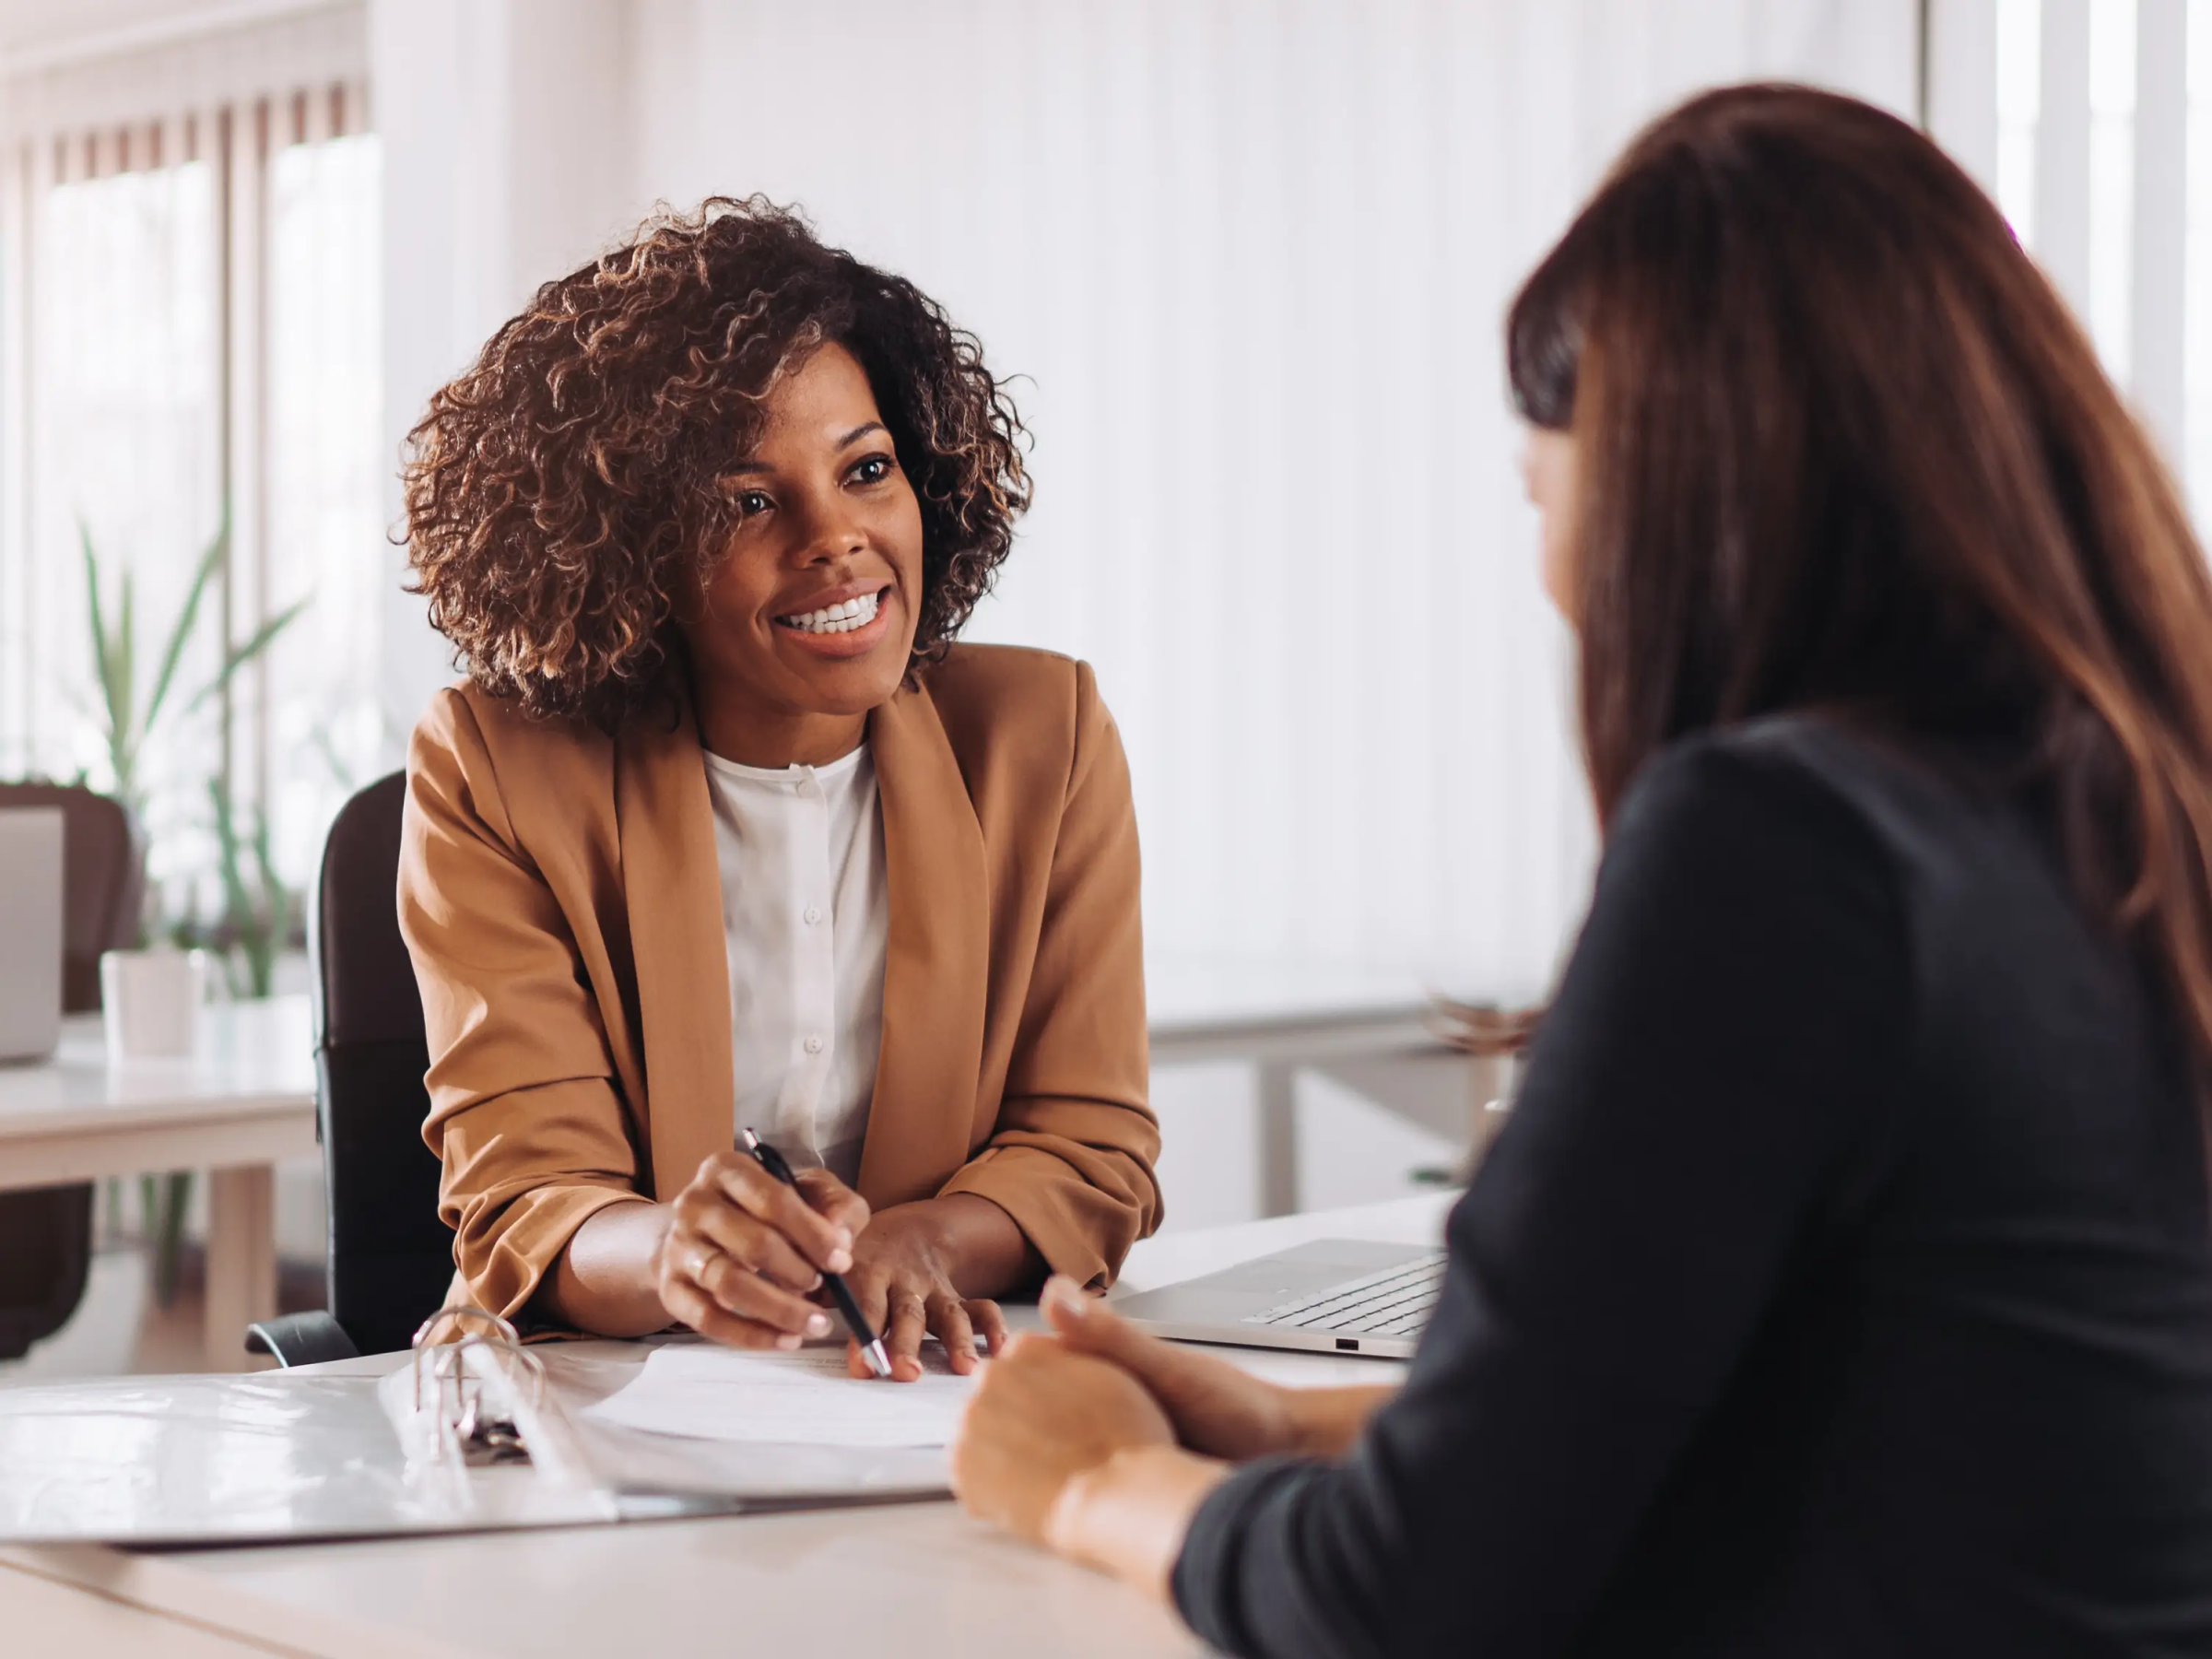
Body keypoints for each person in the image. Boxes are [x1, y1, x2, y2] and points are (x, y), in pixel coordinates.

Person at [950, 83, 2212, 1653]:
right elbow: (1877, 1418)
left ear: (1671, 495)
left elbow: (1413, 1604)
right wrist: (1290, 1435)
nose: (1556, 588)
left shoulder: (1788, 849)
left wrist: (1091, 1485)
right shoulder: (2132, 804)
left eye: (1545, 495)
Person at [397, 199, 1159, 1381]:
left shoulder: (1040, 739)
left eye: (866, 471)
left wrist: (922, 1243)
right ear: (634, 547)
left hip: (923, 1398)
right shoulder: (494, 766)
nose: (837, 538)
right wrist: (673, 1254)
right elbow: (528, 1196)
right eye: (749, 501)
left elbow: (1090, 1148)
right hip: (601, 1410)